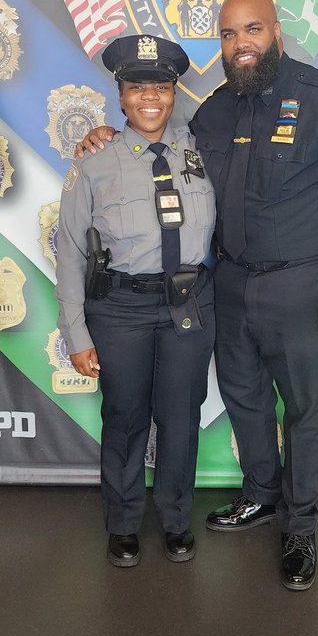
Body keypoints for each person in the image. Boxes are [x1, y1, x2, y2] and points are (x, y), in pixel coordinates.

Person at [77, 0, 318, 590]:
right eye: (227, 35)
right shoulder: (216, 112)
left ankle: (299, 526)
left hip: (305, 288)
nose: (240, 44)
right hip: (231, 287)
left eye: (251, 30)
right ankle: (262, 496)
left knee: (302, 411)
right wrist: (102, 137)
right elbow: (155, 149)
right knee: (245, 399)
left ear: (277, 30)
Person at [55, 34, 216, 569]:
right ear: (120, 96)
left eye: (162, 87)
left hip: (187, 306)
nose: (151, 97)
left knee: (180, 417)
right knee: (124, 417)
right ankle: (123, 523)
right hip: (121, 308)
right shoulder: (94, 162)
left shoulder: (202, 146)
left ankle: (175, 520)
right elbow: (72, 252)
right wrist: (76, 334)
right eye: (137, 87)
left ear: (175, 93)